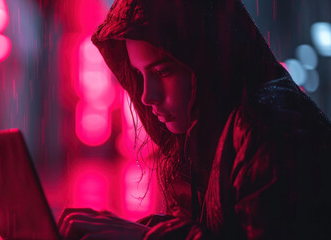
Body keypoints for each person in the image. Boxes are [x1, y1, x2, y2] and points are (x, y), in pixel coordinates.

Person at [58, 0, 331, 239]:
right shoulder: (201, 136)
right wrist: (138, 231)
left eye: (163, 72)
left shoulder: (267, 131)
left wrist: (146, 238)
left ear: (207, 59)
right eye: (140, 75)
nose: (145, 96)